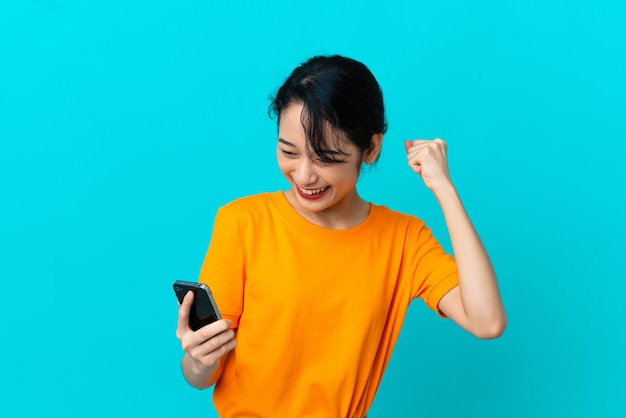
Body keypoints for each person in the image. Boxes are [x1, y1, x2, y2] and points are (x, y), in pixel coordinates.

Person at [175, 55, 507, 417]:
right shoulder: (243, 222)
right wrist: (200, 361)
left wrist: (444, 189)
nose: (304, 175)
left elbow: (487, 321)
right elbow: (201, 376)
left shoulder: (404, 240)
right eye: (289, 152)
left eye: (325, 158)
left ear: (371, 149)